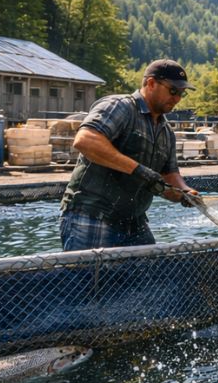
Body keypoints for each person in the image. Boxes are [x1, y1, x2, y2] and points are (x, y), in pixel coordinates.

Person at [59, 59, 199, 251]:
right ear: (150, 83)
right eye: (173, 90)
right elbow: (85, 140)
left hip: (135, 223)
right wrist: (139, 171)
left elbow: (170, 175)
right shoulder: (120, 107)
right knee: (90, 280)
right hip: (91, 216)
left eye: (181, 93)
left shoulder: (167, 132)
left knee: (146, 278)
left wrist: (185, 192)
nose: (177, 98)